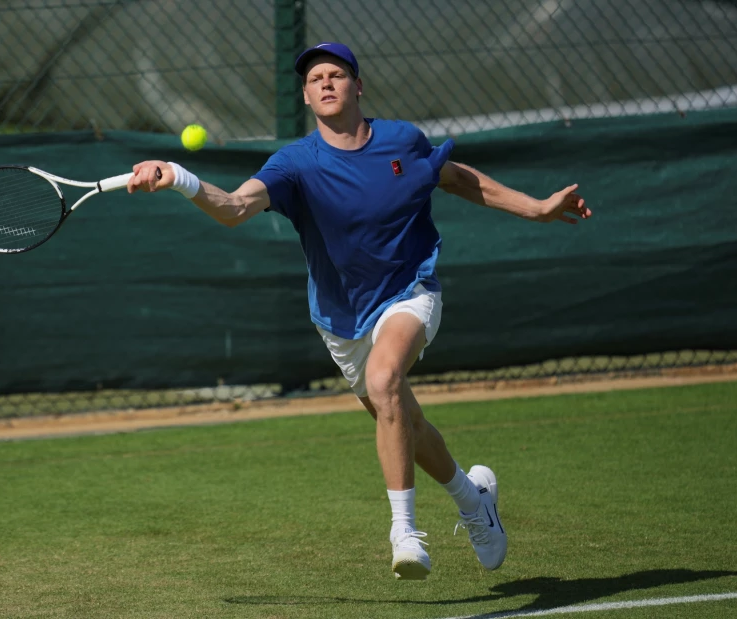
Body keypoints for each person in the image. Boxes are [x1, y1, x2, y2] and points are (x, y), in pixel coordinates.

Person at [127, 42, 591, 580]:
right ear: (305, 96)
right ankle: (474, 499)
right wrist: (178, 177)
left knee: (385, 377)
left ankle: (406, 532)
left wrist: (536, 208)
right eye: (315, 78)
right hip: (339, 320)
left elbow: (455, 176)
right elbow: (234, 208)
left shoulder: (401, 140)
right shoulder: (296, 163)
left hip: (410, 291)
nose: (326, 82)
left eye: (337, 74)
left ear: (357, 86)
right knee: (407, 424)